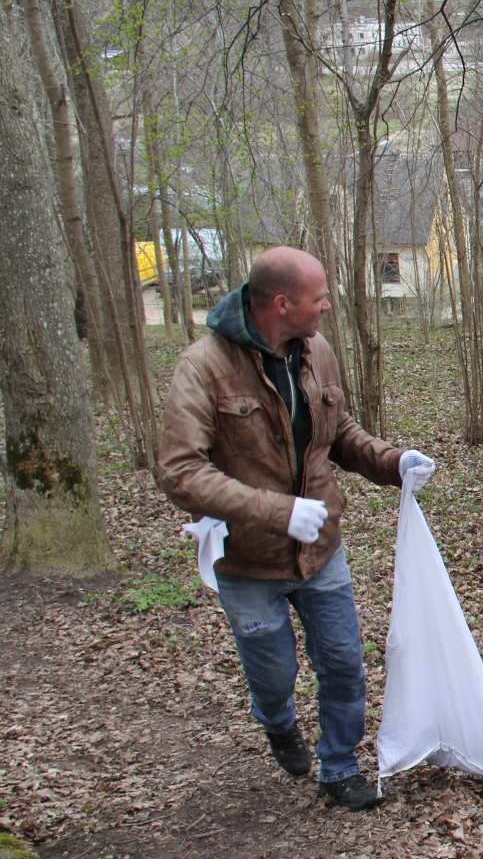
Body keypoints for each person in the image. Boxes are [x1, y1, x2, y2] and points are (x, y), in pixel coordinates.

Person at [156, 246, 435, 810]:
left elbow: (339, 431)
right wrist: (275, 510)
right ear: (281, 304)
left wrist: (392, 460)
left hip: (321, 550)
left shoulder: (317, 352)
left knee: (343, 661)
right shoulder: (204, 367)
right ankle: (277, 720)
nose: (329, 305)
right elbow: (179, 470)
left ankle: (338, 766)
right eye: (319, 298)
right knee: (275, 671)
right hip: (248, 559)